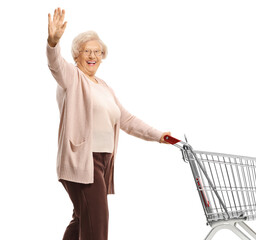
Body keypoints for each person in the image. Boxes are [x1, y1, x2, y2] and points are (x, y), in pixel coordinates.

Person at [47, 7, 171, 240]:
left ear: (103, 56)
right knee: (97, 226)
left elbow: (127, 119)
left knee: (83, 219)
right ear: (76, 55)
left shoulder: (104, 86)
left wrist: (158, 135)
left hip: (103, 161)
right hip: (83, 160)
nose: (93, 55)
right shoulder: (72, 78)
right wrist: (53, 44)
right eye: (87, 51)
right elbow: (55, 65)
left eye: (98, 51)